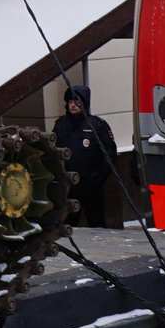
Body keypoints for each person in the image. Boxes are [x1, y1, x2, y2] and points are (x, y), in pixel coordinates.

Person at [53, 85, 122, 229]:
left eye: (77, 101)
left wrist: (99, 177)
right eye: (70, 101)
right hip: (68, 187)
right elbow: (53, 151)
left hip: (91, 186)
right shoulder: (61, 125)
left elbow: (109, 153)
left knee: (96, 223)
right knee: (67, 225)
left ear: (85, 103)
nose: (73, 105)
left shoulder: (97, 125)